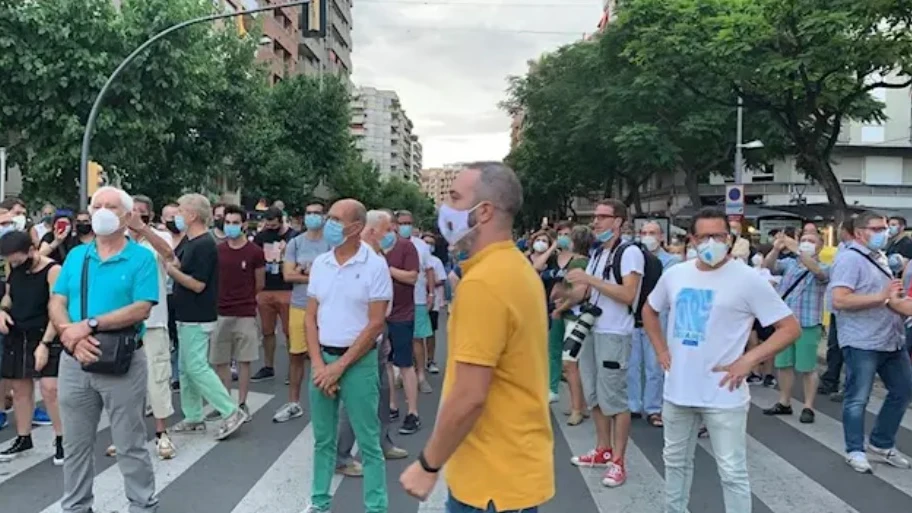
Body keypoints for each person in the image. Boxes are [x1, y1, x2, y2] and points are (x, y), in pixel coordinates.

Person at [400, 162, 554, 512]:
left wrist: (428, 464)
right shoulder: (516, 268)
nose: (445, 209)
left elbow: (470, 395)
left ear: (483, 212)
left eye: (454, 198)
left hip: (490, 480)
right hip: (511, 470)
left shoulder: (485, 283)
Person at [642, 207, 800, 513]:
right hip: (678, 389)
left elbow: (789, 328)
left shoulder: (747, 279)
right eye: (704, 236)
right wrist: (660, 349)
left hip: (723, 392)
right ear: (692, 239)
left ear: (729, 238)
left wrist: (749, 360)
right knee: (674, 462)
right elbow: (649, 309)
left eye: (718, 235)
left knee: (731, 471)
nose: (712, 242)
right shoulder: (676, 274)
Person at [49, 185, 160, 513]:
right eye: (97, 205)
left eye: (111, 207)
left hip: (121, 359)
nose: (102, 212)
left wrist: (91, 325)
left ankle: (142, 505)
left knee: (129, 443)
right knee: (76, 444)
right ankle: (77, 507)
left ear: (127, 217)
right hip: (75, 359)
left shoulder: (140, 257)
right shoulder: (76, 255)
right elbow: (57, 301)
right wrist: (72, 334)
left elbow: (142, 308)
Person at [305, 199, 392, 513]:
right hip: (323, 362)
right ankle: (319, 502)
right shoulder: (321, 264)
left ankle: (376, 507)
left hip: (358, 363)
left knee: (369, 443)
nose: (328, 223)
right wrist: (319, 365)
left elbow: (375, 323)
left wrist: (339, 368)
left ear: (356, 228)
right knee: (323, 440)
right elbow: (309, 318)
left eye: (335, 219)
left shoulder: (375, 266)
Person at [565, 198, 642, 488]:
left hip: (614, 333)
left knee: (615, 399)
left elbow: (627, 294)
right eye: (595, 217)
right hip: (593, 330)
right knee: (595, 394)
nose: (595, 222)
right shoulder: (598, 253)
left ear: (619, 221)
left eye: (602, 217)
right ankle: (602, 449)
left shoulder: (629, 252)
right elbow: (588, 293)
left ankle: (618, 461)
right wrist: (564, 298)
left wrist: (589, 280)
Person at [828, 210, 912, 473]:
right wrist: (882, 298)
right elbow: (839, 300)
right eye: (877, 229)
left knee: (902, 390)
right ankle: (854, 450)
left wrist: (899, 304)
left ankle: (881, 443)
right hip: (862, 340)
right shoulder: (850, 260)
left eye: (885, 228)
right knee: (857, 398)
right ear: (861, 232)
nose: (883, 233)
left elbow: (889, 298)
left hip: (890, 338)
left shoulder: (880, 257)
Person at [336, 210, 409, 477]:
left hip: (379, 333)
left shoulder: (377, 257)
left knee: (381, 393)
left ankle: (382, 441)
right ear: (370, 231)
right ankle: (340, 456)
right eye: (388, 230)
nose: (393, 234)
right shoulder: (357, 260)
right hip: (363, 335)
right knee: (357, 397)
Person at [167, 193, 247, 439]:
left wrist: (170, 271)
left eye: (179, 211)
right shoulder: (191, 242)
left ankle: (230, 410)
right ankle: (193, 416)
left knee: (196, 366)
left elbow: (198, 284)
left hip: (198, 315)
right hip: (185, 313)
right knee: (186, 367)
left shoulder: (203, 244)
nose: (175, 216)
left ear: (192, 215)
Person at [107, 195, 178, 460]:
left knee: (157, 378)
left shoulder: (159, 238)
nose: (135, 215)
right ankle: (127, 436)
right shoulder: (116, 240)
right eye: (131, 212)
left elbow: (169, 255)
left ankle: (162, 433)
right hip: (123, 320)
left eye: (141, 212)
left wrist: (143, 229)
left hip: (154, 320)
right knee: (124, 381)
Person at [0, 231, 64, 464]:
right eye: (10, 260)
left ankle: (61, 439)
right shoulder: (13, 268)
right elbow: (9, 296)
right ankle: (23, 437)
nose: (15, 264)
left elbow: (56, 309)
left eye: (18, 259)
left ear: (31, 249)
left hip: (45, 332)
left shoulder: (53, 271)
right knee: (20, 390)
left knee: (50, 388)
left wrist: (45, 344)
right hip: (18, 332)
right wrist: (3, 311)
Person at [761, 229, 830, 423]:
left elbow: (818, 272)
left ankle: (808, 406)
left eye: (811, 241)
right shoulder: (790, 264)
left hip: (807, 323)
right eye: (804, 240)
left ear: (820, 246)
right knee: (783, 364)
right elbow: (768, 266)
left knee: (807, 367)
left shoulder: (824, 266)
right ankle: (784, 401)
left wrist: (798, 249)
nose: (807, 243)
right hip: (784, 322)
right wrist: (776, 249)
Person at [275, 201, 330, 423]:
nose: (313, 217)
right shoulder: (295, 243)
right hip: (299, 305)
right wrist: (316, 274)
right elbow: (288, 276)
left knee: (328, 355)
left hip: (327, 307)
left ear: (324, 216)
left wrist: (304, 272)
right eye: (309, 213)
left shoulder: (331, 243)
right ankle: (294, 403)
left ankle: (328, 403)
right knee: (296, 355)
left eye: (317, 213)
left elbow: (335, 275)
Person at [211, 204, 265, 422]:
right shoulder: (219, 250)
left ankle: (242, 402)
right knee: (220, 360)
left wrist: (247, 299)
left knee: (244, 360)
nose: (231, 226)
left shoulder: (255, 252)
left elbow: (259, 282)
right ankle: (225, 402)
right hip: (220, 312)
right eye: (228, 222)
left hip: (245, 312)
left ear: (244, 224)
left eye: (235, 222)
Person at [629, 221, 680, 428]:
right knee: (632, 365)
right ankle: (632, 405)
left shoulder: (672, 262)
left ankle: (653, 408)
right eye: (644, 232)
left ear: (661, 237)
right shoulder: (633, 258)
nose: (648, 236)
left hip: (658, 319)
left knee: (654, 366)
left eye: (653, 233)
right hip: (633, 318)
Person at [550, 224, 593, 426]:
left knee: (570, 364)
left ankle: (577, 408)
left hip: (575, 318)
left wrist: (561, 305)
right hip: (576, 317)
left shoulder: (578, 264)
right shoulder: (583, 261)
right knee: (574, 364)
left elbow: (579, 292)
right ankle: (581, 405)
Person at [384, 211, 422, 435]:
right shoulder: (373, 248)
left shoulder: (406, 248)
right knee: (386, 363)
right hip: (380, 315)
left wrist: (387, 270)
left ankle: (413, 412)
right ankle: (391, 406)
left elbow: (412, 276)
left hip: (402, 314)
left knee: (405, 364)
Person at [251, 206, 297, 383]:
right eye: (268, 224)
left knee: (289, 332)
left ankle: (293, 368)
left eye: (274, 225)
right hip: (266, 289)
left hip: (287, 289)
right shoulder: (261, 237)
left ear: (281, 220)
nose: (270, 228)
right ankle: (268, 366)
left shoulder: (293, 237)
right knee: (267, 331)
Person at [394, 210, 436, 395]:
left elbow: (429, 271)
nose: (406, 226)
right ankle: (398, 375)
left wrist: (431, 294)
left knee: (417, 339)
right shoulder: (390, 243)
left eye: (408, 223)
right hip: (395, 299)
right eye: (402, 223)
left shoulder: (421, 246)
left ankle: (420, 376)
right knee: (396, 340)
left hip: (417, 298)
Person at [160, 203, 183, 392]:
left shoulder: (189, 240)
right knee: (167, 337)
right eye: (169, 218)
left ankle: (179, 374)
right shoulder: (160, 239)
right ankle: (170, 373)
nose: (174, 221)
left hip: (182, 294)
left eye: (177, 216)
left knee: (180, 336)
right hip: (163, 296)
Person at [421, 232, 447, 375]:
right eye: (426, 243)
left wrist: (428, 284)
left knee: (431, 333)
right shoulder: (415, 257)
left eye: (431, 243)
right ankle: (416, 361)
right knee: (416, 335)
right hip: (416, 301)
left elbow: (442, 279)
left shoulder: (436, 261)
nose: (428, 246)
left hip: (432, 302)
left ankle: (430, 360)